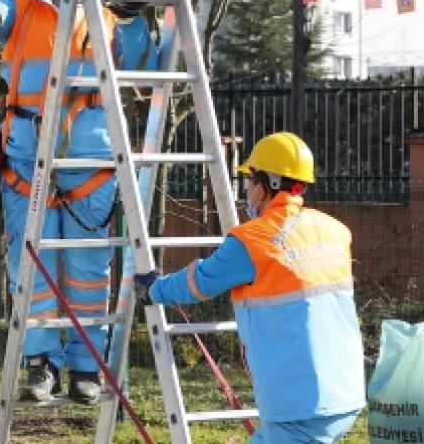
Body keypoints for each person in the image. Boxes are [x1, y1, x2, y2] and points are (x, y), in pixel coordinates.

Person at [0, 0, 158, 405]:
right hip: (28, 166)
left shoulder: (110, 19)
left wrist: (136, 19)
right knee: (32, 268)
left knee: (87, 271)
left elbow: (149, 76)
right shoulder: (22, 11)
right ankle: (41, 365)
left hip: (90, 169)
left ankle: (88, 368)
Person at [134, 132, 366, 442]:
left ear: (266, 185)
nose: (248, 190)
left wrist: (153, 289)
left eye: (250, 181)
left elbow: (199, 282)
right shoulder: (335, 231)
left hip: (297, 407)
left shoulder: (253, 240)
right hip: (345, 396)